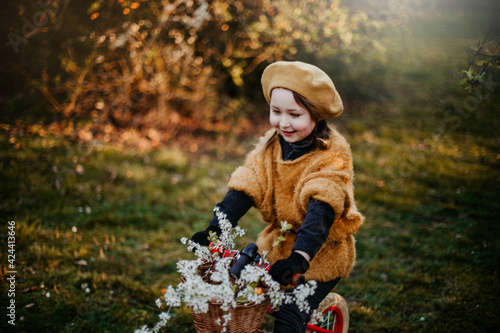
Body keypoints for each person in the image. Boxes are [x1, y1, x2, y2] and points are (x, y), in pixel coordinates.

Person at [191, 61, 364, 333]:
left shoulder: (331, 159)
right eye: (276, 111)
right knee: (240, 298)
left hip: (319, 252)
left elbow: (321, 212)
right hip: (279, 243)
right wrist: (215, 231)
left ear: (316, 115)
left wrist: (299, 259)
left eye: (294, 114)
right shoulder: (270, 147)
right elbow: (247, 185)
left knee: (289, 317)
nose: (283, 123)